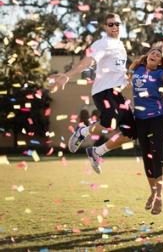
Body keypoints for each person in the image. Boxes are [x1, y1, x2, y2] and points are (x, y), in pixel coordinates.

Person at [48, 13, 135, 174]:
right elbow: (89, 61)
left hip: (117, 93)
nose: (114, 27)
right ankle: (82, 132)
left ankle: (97, 152)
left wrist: (127, 78)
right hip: (103, 91)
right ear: (104, 27)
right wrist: (68, 75)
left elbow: (118, 69)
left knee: (131, 133)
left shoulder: (120, 46)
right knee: (111, 120)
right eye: (110, 24)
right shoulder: (103, 43)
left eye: (117, 23)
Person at [128, 38, 163, 215]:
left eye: (158, 55)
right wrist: (130, 68)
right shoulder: (138, 69)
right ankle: (152, 192)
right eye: (152, 53)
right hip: (139, 119)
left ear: (160, 62)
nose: (154, 55)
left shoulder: (159, 74)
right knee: (146, 156)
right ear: (147, 57)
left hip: (157, 118)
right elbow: (129, 72)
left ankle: (160, 196)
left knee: (157, 155)